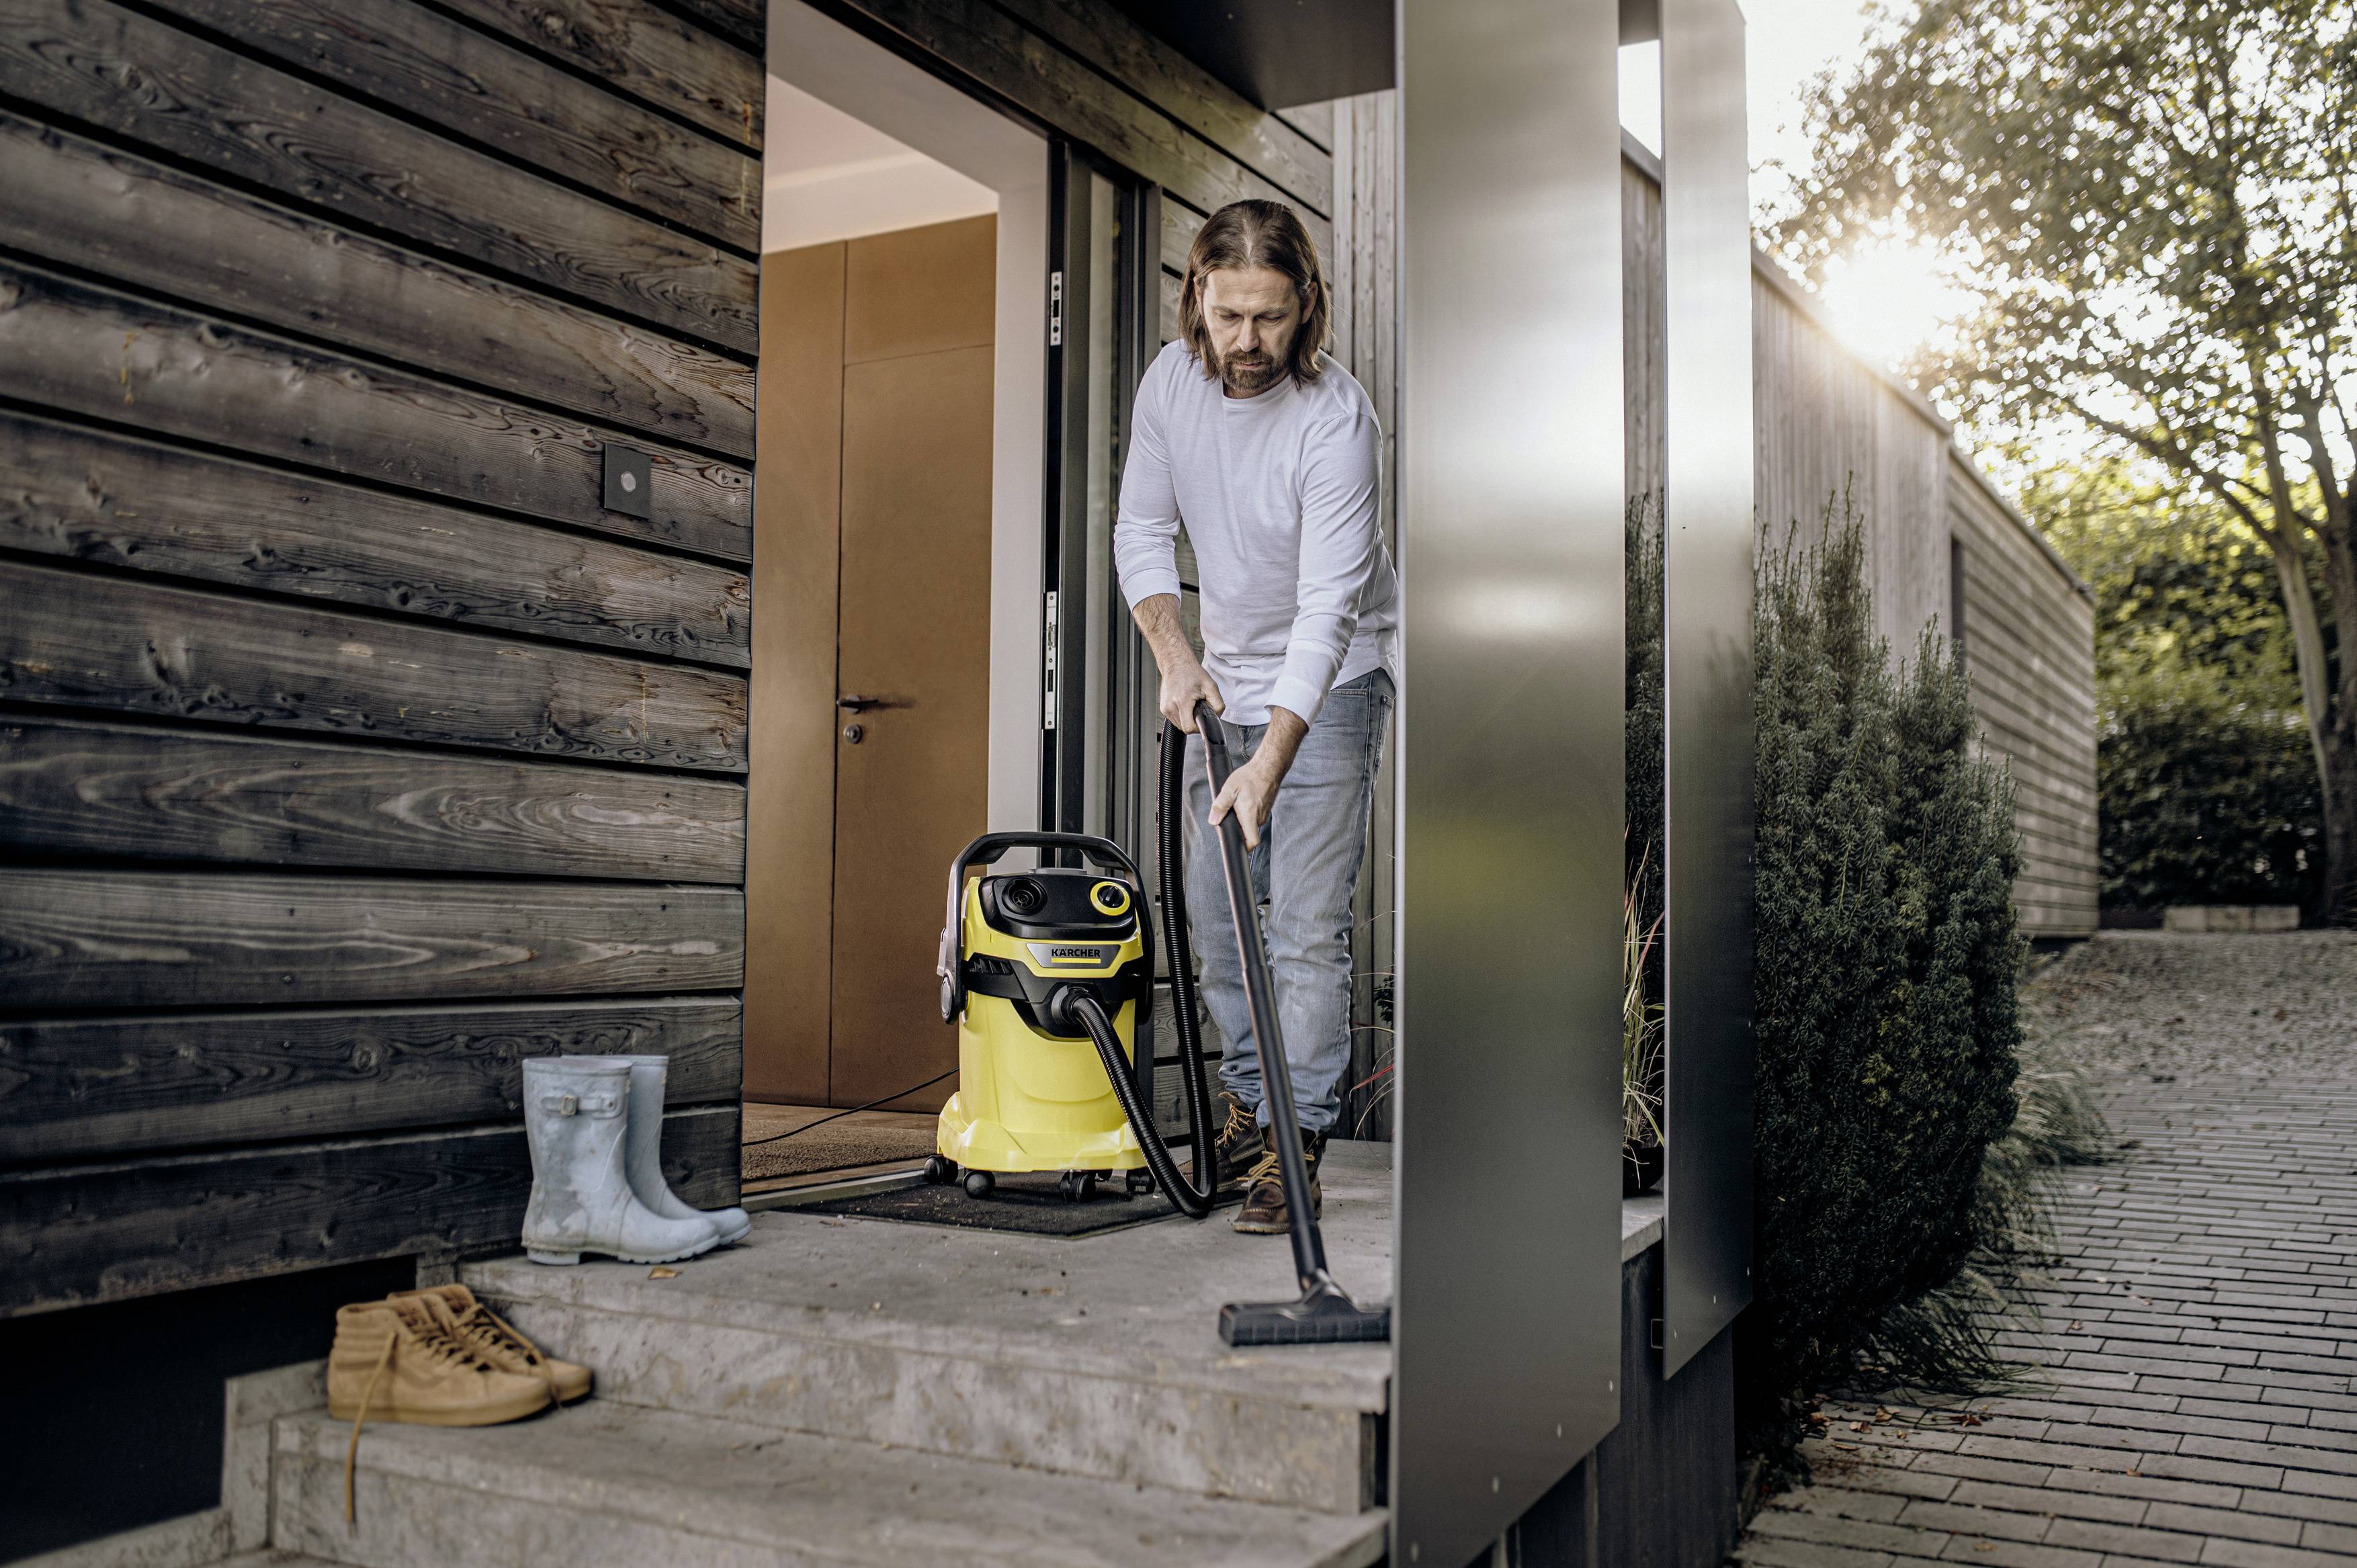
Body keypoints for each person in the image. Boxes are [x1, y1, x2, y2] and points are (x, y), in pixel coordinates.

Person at [1113, 199, 1399, 1235]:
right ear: (1197, 296)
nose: (1245, 343)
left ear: (1307, 306)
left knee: (1306, 928)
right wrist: (1175, 655)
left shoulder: (1338, 421)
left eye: (1269, 318)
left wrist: (1272, 763)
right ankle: (1248, 1102)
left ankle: (1298, 1141)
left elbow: (1329, 610)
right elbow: (1140, 527)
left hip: (1335, 681)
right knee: (1218, 910)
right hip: (1223, 679)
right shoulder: (1168, 385)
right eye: (1228, 315)